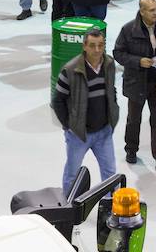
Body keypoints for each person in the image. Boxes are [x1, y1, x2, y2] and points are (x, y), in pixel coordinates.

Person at [113, 0, 156, 171]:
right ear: (142, 11)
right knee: (134, 119)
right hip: (137, 81)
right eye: (151, 10)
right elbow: (118, 53)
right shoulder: (128, 29)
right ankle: (131, 149)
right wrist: (138, 61)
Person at [51, 28, 119, 196]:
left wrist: (112, 116)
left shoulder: (109, 64)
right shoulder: (70, 70)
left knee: (110, 173)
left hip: (104, 131)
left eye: (101, 45)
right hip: (79, 135)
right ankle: (69, 206)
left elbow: (111, 91)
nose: (97, 50)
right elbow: (57, 101)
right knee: (72, 175)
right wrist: (69, 125)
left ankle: (109, 205)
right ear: (84, 46)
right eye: (92, 45)